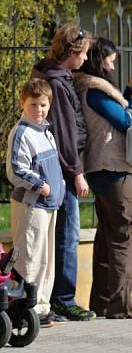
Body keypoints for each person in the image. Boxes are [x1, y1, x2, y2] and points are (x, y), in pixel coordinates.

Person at [74, 38, 132, 320]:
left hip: (100, 167)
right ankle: (121, 304)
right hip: (111, 167)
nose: (113, 65)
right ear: (99, 60)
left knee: (108, 235)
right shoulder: (94, 89)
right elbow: (127, 120)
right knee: (124, 233)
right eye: (111, 60)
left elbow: (118, 112)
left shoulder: (90, 88)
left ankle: (104, 301)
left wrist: (130, 88)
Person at [31, 24, 95, 321]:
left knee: (59, 235)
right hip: (63, 170)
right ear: (72, 52)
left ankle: (54, 297)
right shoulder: (56, 82)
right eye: (83, 54)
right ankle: (63, 298)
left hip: (59, 168)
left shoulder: (58, 78)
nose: (85, 59)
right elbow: (66, 133)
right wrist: (77, 171)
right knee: (67, 235)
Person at [6, 79, 65, 326]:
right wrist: (40, 185)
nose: (38, 110)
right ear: (22, 103)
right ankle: (20, 309)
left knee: (45, 259)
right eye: (33, 105)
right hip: (32, 205)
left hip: (49, 206)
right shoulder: (22, 132)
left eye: (42, 105)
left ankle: (40, 306)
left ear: (49, 105)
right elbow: (15, 170)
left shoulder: (46, 132)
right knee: (28, 257)